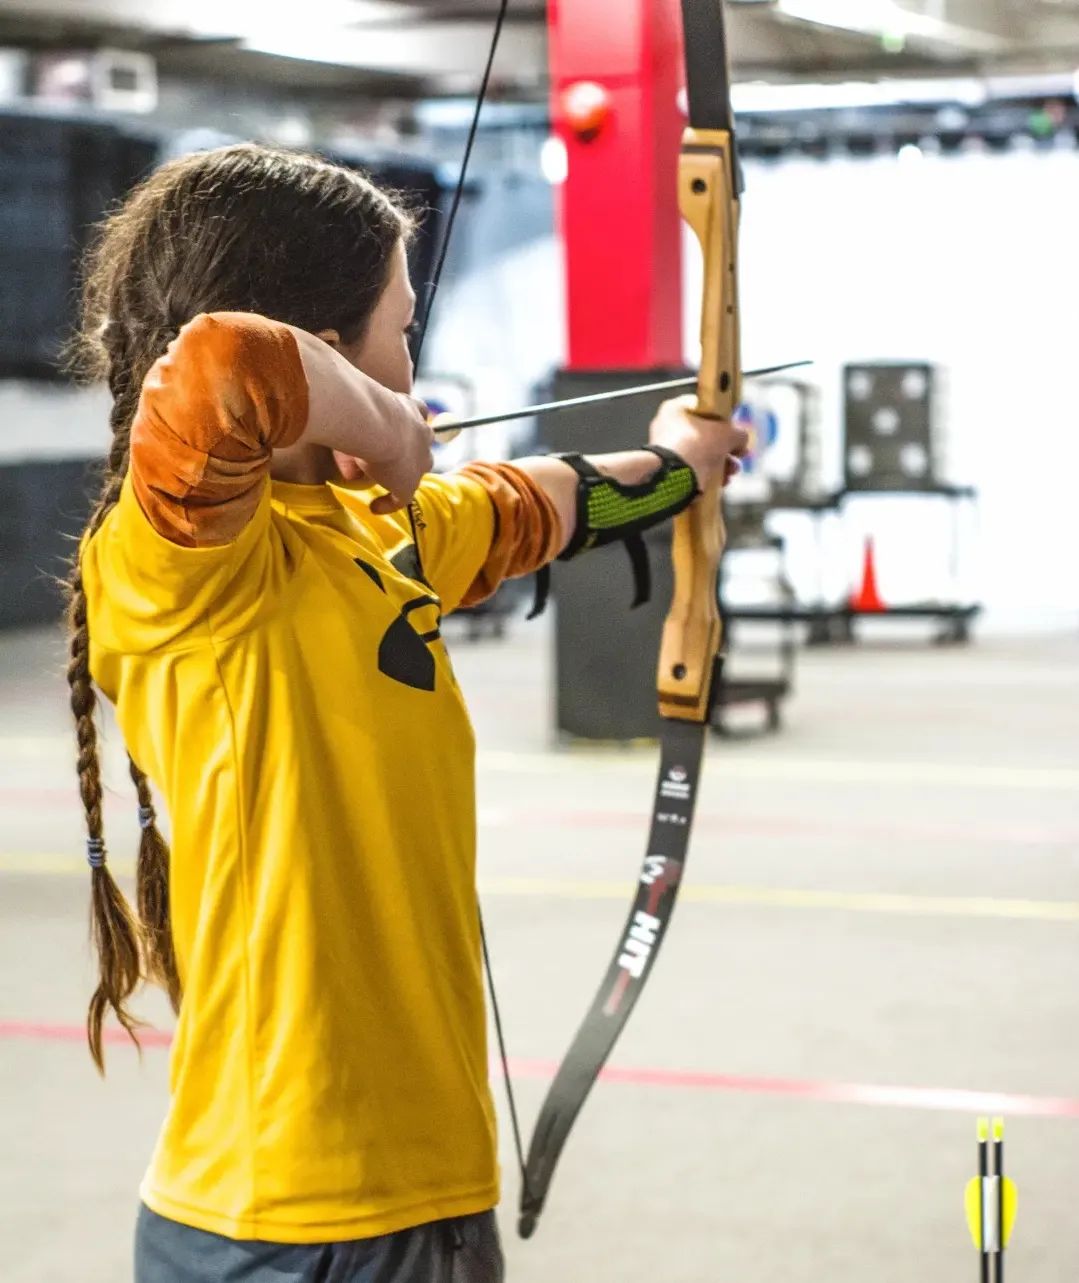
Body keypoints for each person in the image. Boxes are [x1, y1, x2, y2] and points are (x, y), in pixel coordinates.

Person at [66, 143, 748, 1283]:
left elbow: (537, 505)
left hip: (408, 1189)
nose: (411, 354)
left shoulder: (372, 530)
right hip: (298, 1211)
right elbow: (222, 367)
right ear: (331, 353)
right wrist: (387, 423)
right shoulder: (175, 564)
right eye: (401, 326)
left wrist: (683, 462)